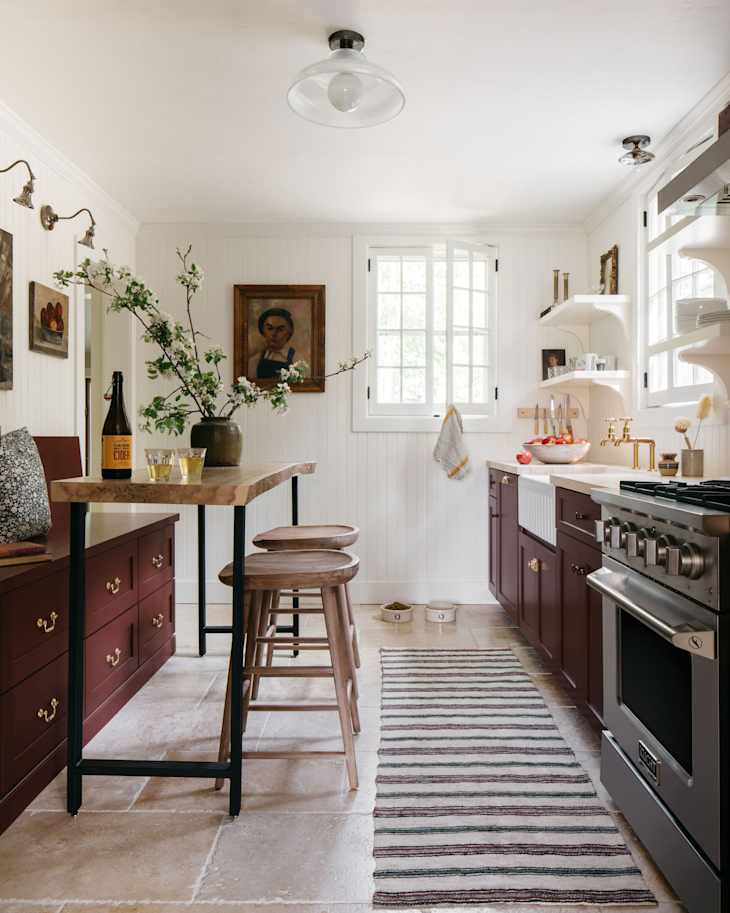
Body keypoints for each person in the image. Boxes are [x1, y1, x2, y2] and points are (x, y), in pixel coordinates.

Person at [248, 307, 296, 379]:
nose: (274, 334)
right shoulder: (254, 360)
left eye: (280, 329)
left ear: (289, 332)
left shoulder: (297, 359)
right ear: (263, 331)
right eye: (270, 328)